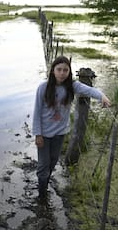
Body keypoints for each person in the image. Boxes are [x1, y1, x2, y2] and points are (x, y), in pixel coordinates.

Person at [32, 56, 111, 199]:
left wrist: (102, 97)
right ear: (53, 71)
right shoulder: (43, 88)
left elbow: (88, 90)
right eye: (59, 69)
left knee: (53, 161)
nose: (62, 73)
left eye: (65, 70)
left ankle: (45, 182)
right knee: (43, 165)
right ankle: (42, 194)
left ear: (69, 72)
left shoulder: (72, 86)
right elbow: (37, 112)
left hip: (60, 133)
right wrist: (38, 135)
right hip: (44, 134)